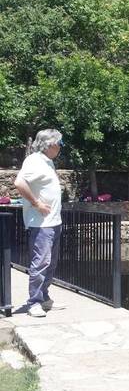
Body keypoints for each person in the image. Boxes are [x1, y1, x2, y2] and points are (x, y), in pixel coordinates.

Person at [13, 129, 66, 317]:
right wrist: (36, 204)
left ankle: (43, 297)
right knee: (41, 263)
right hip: (41, 223)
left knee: (50, 263)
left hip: (53, 222)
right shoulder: (34, 160)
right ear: (50, 144)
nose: (60, 147)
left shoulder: (47, 162)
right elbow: (19, 183)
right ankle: (33, 302)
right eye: (60, 144)